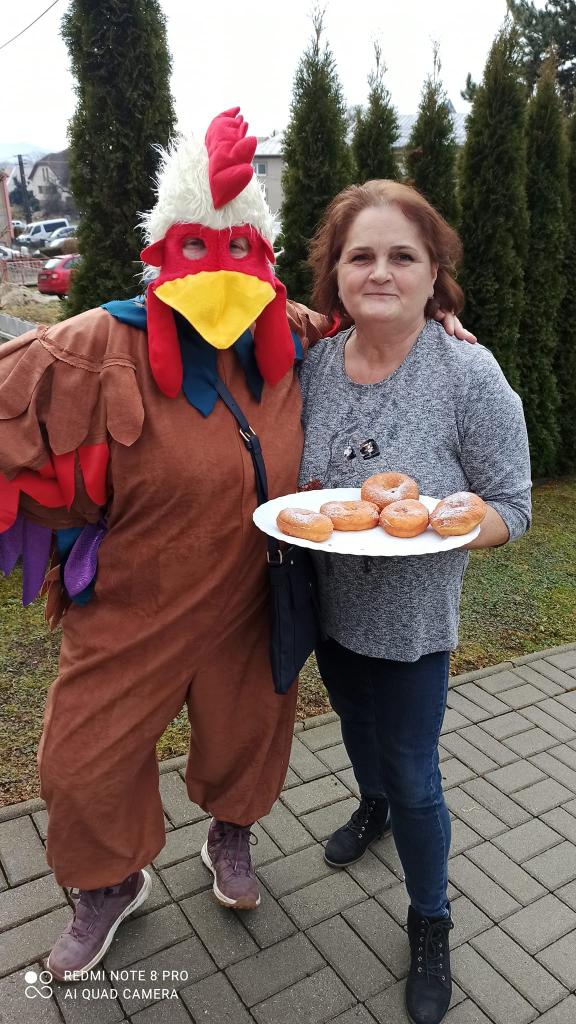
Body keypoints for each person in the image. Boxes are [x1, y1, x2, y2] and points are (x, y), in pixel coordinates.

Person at [0, 111, 473, 981]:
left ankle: (231, 833)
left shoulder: (290, 334)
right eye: (195, 248)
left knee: (247, 739)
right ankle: (110, 883)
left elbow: (370, 323)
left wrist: (435, 319)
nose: (219, 274)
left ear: (265, 258)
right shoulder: (98, 341)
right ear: (159, 251)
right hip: (133, 603)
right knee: (82, 759)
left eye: (240, 251)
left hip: (254, 599)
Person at [299, 180, 531, 1024]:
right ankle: (372, 808)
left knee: (416, 776)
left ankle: (431, 918)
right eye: (361, 256)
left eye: (403, 256)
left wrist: (450, 525)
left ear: (435, 274)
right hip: (330, 613)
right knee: (356, 733)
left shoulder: (466, 371)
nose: (381, 272)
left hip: (413, 628)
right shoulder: (314, 364)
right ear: (336, 275)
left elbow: (514, 506)